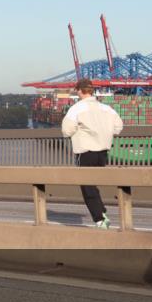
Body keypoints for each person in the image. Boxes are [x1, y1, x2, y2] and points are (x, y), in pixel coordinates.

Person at [60, 78, 124, 229]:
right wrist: (105, 131)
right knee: (93, 185)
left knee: (87, 187)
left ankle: (100, 220)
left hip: (85, 152)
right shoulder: (106, 108)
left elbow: (66, 131)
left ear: (79, 91)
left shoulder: (76, 108)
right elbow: (118, 127)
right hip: (103, 153)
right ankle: (101, 212)